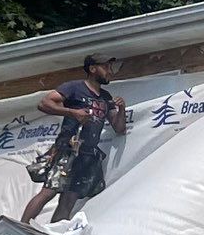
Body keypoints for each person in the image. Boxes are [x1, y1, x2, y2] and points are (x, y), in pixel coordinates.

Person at [22, 54, 129, 225]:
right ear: (93, 69)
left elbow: (120, 129)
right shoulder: (74, 87)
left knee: (69, 198)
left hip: (88, 155)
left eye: (111, 68)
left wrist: (121, 108)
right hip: (69, 148)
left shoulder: (106, 97)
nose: (110, 72)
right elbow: (44, 103)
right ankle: (23, 226)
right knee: (49, 190)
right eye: (106, 67)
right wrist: (72, 112)